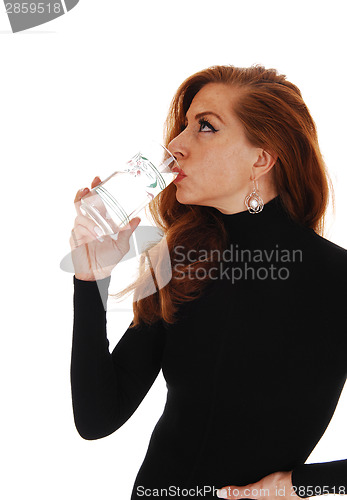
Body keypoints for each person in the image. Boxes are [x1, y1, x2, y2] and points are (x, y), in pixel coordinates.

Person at [69, 64, 347, 500]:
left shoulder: (338, 280)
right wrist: (91, 279)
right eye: (184, 126)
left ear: (261, 158)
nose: (175, 145)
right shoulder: (180, 261)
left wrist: (301, 485)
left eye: (205, 127)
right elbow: (97, 418)